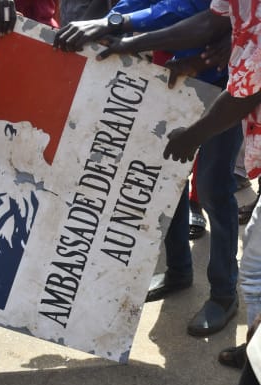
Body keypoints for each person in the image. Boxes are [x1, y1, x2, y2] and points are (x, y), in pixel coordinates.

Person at [54, 0, 242, 336]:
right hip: (169, 71)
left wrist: (119, 28)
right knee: (165, 170)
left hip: (229, 84)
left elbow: (194, 13)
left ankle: (224, 293)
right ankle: (179, 270)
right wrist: (110, 22)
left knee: (214, 186)